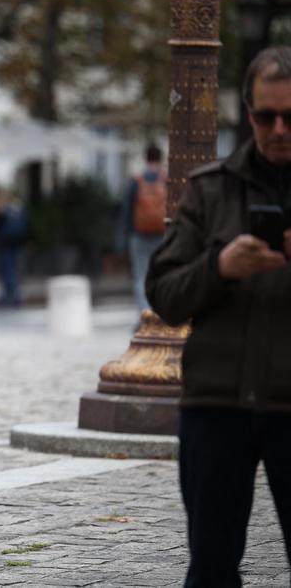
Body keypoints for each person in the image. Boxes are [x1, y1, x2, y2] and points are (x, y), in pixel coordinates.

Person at [146, 46, 291, 587]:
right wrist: (219, 266)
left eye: (290, 117)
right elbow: (163, 292)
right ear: (248, 113)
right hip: (217, 406)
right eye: (266, 116)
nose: (278, 129)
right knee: (211, 566)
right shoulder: (211, 189)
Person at [123, 143, 166, 313]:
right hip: (162, 233)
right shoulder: (166, 179)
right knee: (160, 273)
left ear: (145, 158)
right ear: (160, 158)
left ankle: (144, 314)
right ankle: (159, 312)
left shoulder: (136, 180)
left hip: (139, 235)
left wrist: (126, 235)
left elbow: (127, 210)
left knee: (140, 275)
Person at [0, 188, 29, 307]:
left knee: (7, 270)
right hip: (17, 242)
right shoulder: (16, 206)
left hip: (5, 243)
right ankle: (16, 297)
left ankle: (8, 297)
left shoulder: (1, 208)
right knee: (14, 270)